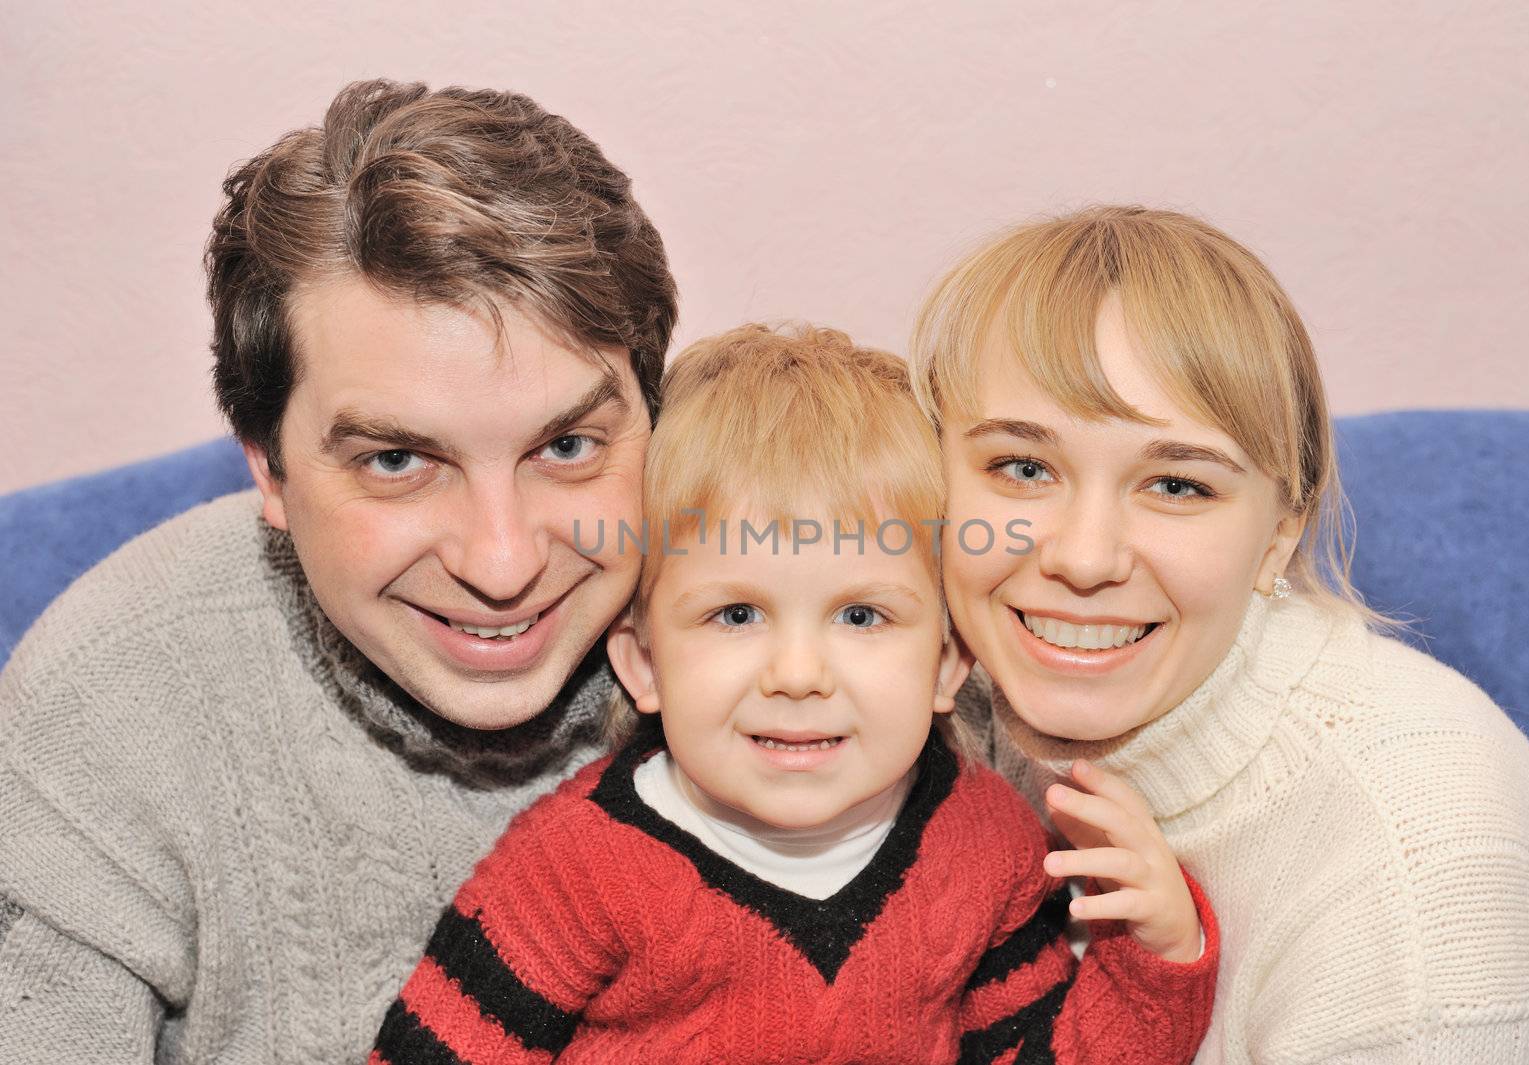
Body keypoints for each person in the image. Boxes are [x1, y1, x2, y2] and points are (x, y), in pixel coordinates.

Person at [0, 79, 676, 1061]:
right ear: (268, 466)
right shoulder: (104, 714)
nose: (502, 561)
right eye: (397, 462)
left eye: (567, 447)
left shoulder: (788, 628)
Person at [370, 324, 1221, 1064]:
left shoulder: (990, 843)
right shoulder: (574, 867)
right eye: (736, 613)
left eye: (861, 614)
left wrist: (1157, 957)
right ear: (645, 663)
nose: (799, 672)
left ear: (945, 663)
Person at [908, 205, 1529, 1064]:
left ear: (1279, 534)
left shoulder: (1423, 859)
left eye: (1177, 485)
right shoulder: (905, 706)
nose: (1084, 559)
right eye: (1021, 467)